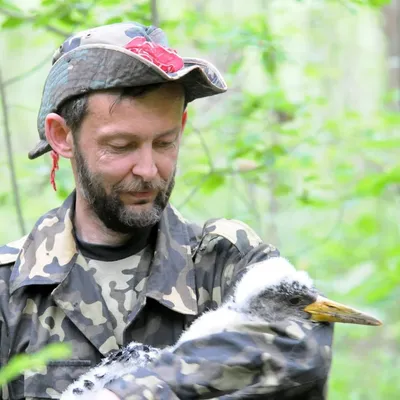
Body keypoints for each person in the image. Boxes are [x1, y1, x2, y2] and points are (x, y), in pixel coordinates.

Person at [0, 22, 333, 399]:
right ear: (62, 137)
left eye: (165, 142)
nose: (148, 169)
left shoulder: (224, 261)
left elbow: (299, 340)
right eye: (122, 145)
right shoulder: (11, 290)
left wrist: (132, 391)